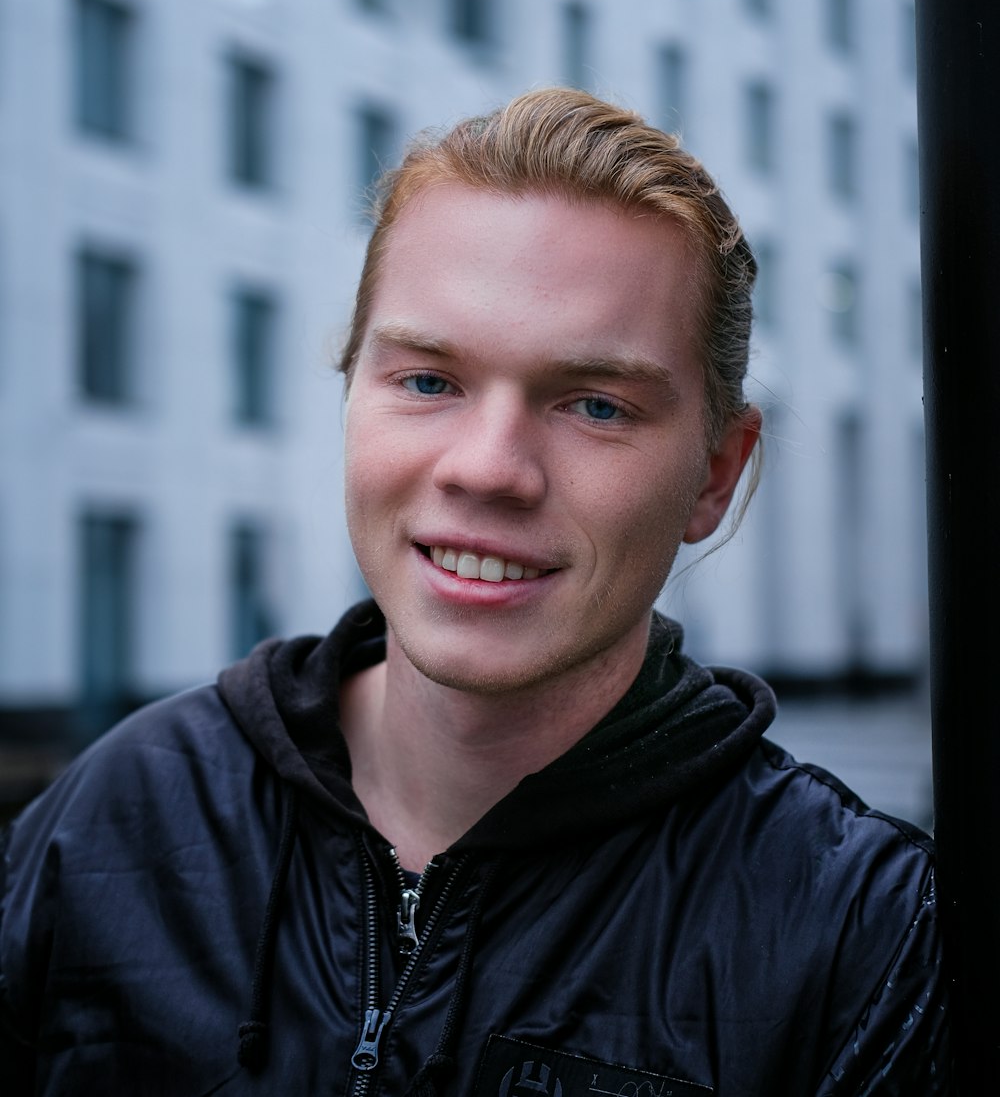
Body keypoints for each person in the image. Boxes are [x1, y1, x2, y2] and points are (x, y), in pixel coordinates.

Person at [1, 89, 949, 1095]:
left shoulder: (853, 926)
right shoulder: (112, 823)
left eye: (595, 403)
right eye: (428, 380)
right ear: (350, 393)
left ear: (713, 473)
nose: (489, 468)